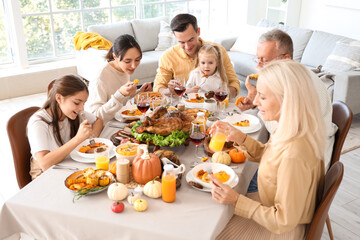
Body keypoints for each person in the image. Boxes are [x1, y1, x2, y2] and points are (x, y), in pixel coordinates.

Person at [211, 60, 325, 239]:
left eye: (262, 97)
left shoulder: (294, 154)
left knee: (208, 230)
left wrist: (236, 200)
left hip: (277, 230)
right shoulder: (290, 128)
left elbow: (283, 221)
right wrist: (240, 137)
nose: (255, 101)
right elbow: (271, 158)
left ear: (287, 100)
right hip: (267, 207)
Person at [237, 30, 336, 194]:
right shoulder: (290, 77)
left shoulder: (297, 90)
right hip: (290, 160)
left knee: (239, 183)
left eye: (264, 61)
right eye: (258, 60)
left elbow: (281, 140)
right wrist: (258, 102)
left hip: (299, 176)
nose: (258, 67)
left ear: (285, 59)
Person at [27, 75, 103, 179]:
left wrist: (92, 136)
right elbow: (44, 164)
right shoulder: (38, 123)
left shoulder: (74, 113)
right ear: (59, 98)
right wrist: (79, 138)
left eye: (84, 103)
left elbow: (98, 121)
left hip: (68, 165)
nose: (81, 108)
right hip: (45, 174)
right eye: (77, 103)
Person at [153, 13, 240, 99]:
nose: (187, 47)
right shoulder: (168, 57)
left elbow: (234, 83)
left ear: (198, 31)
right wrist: (169, 90)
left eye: (191, 40)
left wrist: (223, 95)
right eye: (182, 42)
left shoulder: (217, 50)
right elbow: (158, 87)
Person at [87, 34, 152, 123]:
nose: (133, 66)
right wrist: (120, 94)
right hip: (105, 125)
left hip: (121, 118)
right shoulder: (100, 78)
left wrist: (139, 92)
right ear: (115, 57)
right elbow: (94, 116)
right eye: (127, 61)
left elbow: (121, 101)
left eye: (137, 60)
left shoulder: (123, 68)